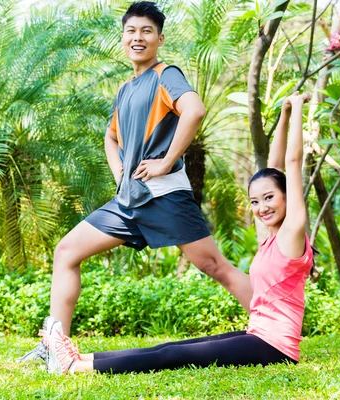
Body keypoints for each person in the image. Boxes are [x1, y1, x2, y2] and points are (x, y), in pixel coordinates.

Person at [18, 1, 252, 363]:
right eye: (131, 30)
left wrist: (166, 162)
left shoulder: (165, 75)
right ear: (123, 37)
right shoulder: (127, 87)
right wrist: (120, 174)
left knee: (213, 266)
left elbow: (195, 109)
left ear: (159, 38)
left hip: (163, 196)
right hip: (129, 200)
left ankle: (275, 329)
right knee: (66, 252)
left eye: (146, 31)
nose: (137, 37)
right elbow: (110, 136)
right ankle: (54, 346)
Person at [42, 91, 314, 375]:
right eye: (255, 201)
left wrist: (297, 109)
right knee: (169, 347)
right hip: (258, 335)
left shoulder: (292, 233)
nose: (261, 208)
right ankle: (79, 358)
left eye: (269, 198)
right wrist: (283, 114)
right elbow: (276, 167)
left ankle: (74, 368)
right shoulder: (271, 235)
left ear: (286, 196)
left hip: (276, 347)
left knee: (173, 355)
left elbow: (291, 166)